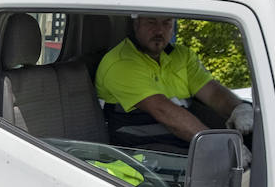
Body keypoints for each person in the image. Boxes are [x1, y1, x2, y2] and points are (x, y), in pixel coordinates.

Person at [94, 15, 254, 151]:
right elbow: (164, 111)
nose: (159, 30)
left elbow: (212, 93)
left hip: (177, 145)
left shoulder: (181, 56)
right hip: (141, 155)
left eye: (166, 23)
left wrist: (239, 109)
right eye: (151, 22)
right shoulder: (120, 63)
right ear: (136, 25)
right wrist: (217, 145)